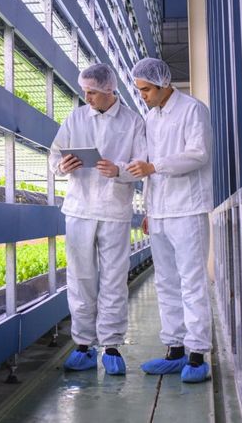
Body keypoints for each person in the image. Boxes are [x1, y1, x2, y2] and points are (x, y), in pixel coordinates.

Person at [48, 63, 147, 376]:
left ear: (108, 91)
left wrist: (118, 171)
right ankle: (83, 345)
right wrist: (63, 166)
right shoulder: (75, 118)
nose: (86, 97)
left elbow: (143, 164)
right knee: (80, 279)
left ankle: (113, 345)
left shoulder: (133, 122)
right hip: (78, 209)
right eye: (85, 91)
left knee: (114, 278)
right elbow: (54, 157)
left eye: (91, 92)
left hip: (115, 211)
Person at [126, 57, 214, 383]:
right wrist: (149, 210)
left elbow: (199, 153)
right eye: (139, 90)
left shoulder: (193, 109)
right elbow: (148, 169)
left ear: (163, 84)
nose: (143, 96)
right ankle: (174, 350)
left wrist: (156, 166)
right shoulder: (151, 118)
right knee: (166, 283)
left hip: (187, 209)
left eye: (146, 89)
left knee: (191, 282)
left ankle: (197, 354)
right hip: (160, 213)